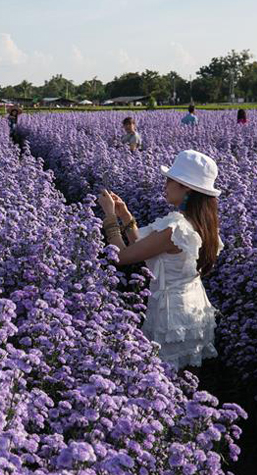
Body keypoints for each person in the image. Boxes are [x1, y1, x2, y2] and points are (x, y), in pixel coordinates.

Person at [97, 149, 223, 371]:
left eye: (170, 181)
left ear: (186, 189)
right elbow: (144, 247)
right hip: (192, 308)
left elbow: (122, 256)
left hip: (172, 317)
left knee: (163, 376)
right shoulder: (201, 223)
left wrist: (109, 217)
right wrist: (125, 215)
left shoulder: (177, 228)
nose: (165, 185)